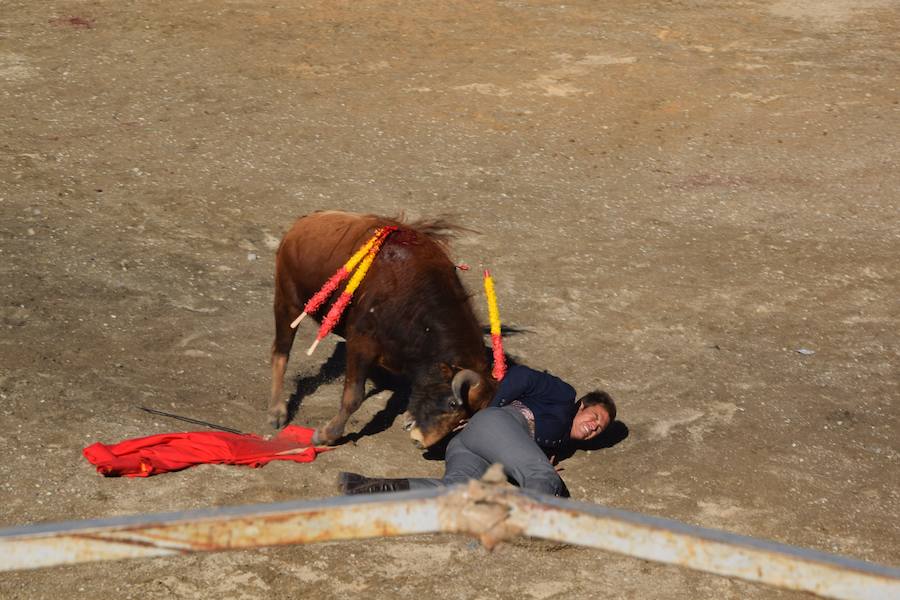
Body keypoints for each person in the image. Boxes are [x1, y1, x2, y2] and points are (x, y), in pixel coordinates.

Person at [337, 364, 617, 497]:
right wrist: (488, 413)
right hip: (496, 423)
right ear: (582, 406)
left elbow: (515, 456)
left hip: (466, 444)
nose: (594, 427)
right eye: (595, 416)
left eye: (599, 429)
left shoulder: (557, 446)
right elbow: (521, 376)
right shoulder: (563, 396)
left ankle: (367, 486)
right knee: (543, 477)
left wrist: (539, 461)